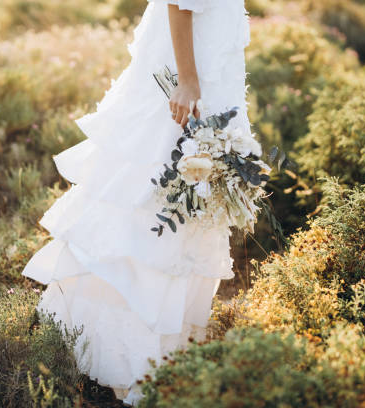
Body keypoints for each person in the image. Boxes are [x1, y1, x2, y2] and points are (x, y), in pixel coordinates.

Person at [22, 0, 253, 405]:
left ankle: (165, 349)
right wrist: (187, 80)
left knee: (187, 199)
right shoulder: (188, 78)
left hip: (212, 67)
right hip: (190, 75)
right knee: (151, 192)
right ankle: (129, 357)